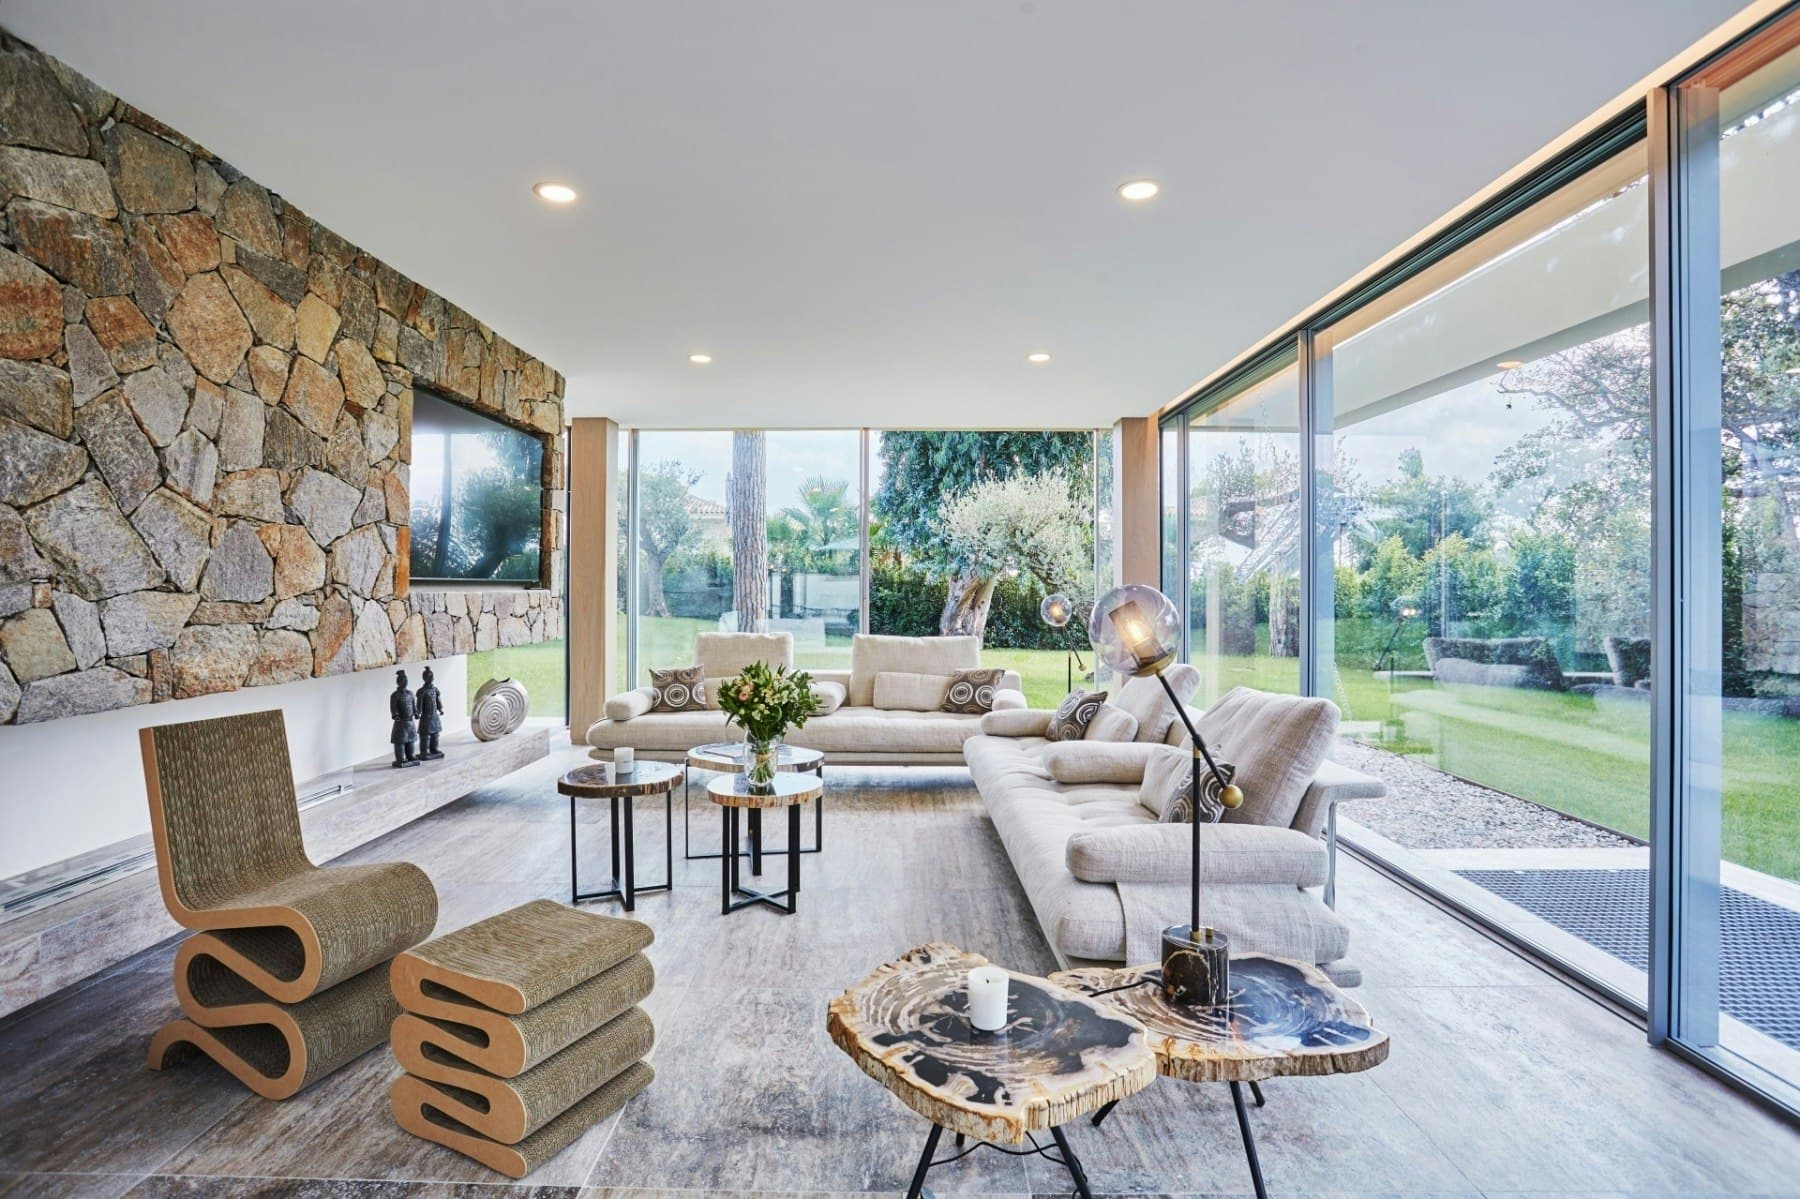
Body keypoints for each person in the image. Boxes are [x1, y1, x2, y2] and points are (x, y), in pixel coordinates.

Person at [390, 669, 420, 768]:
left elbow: (413, 705)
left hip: (410, 722)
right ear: (399, 682)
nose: (405, 682)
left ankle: (410, 755)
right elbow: (393, 707)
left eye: (405, 680)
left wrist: (416, 713)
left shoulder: (410, 694)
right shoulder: (395, 695)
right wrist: (396, 715)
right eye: (403, 680)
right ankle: (401, 758)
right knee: (400, 742)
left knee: (411, 741)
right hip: (401, 723)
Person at [416, 666, 445, 760]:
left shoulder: (435, 689)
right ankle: (424, 751)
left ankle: (434, 749)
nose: (431, 678)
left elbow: (438, 700)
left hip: (434, 716)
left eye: (431, 676)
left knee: (435, 734)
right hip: (426, 717)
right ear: (425, 678)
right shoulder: (422, 691)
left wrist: (440, 709)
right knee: (425, 735)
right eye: (429, 676)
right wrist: (418, 712)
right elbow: (419, 703)